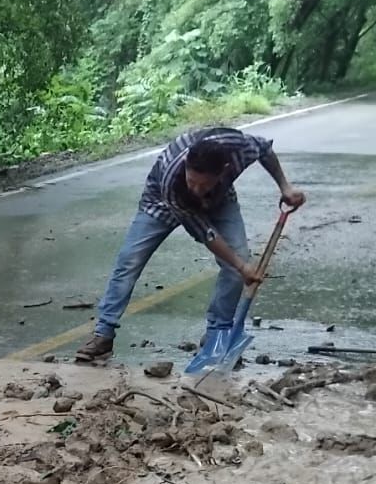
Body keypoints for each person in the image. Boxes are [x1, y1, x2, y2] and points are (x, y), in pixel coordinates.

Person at [75, 126, 306, 362]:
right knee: (129, 261)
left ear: (224, 171)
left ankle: (217, 334)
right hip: (161, 204)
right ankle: (104, 334)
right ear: (186, 163)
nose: (196, 190)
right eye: (192, 181)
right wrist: (241, 266)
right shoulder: (172, 181)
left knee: (238, 263)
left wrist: (285, 187)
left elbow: (264, 149)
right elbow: (206, 233)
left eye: (203, 184)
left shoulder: (239, 148)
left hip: (220, 199)